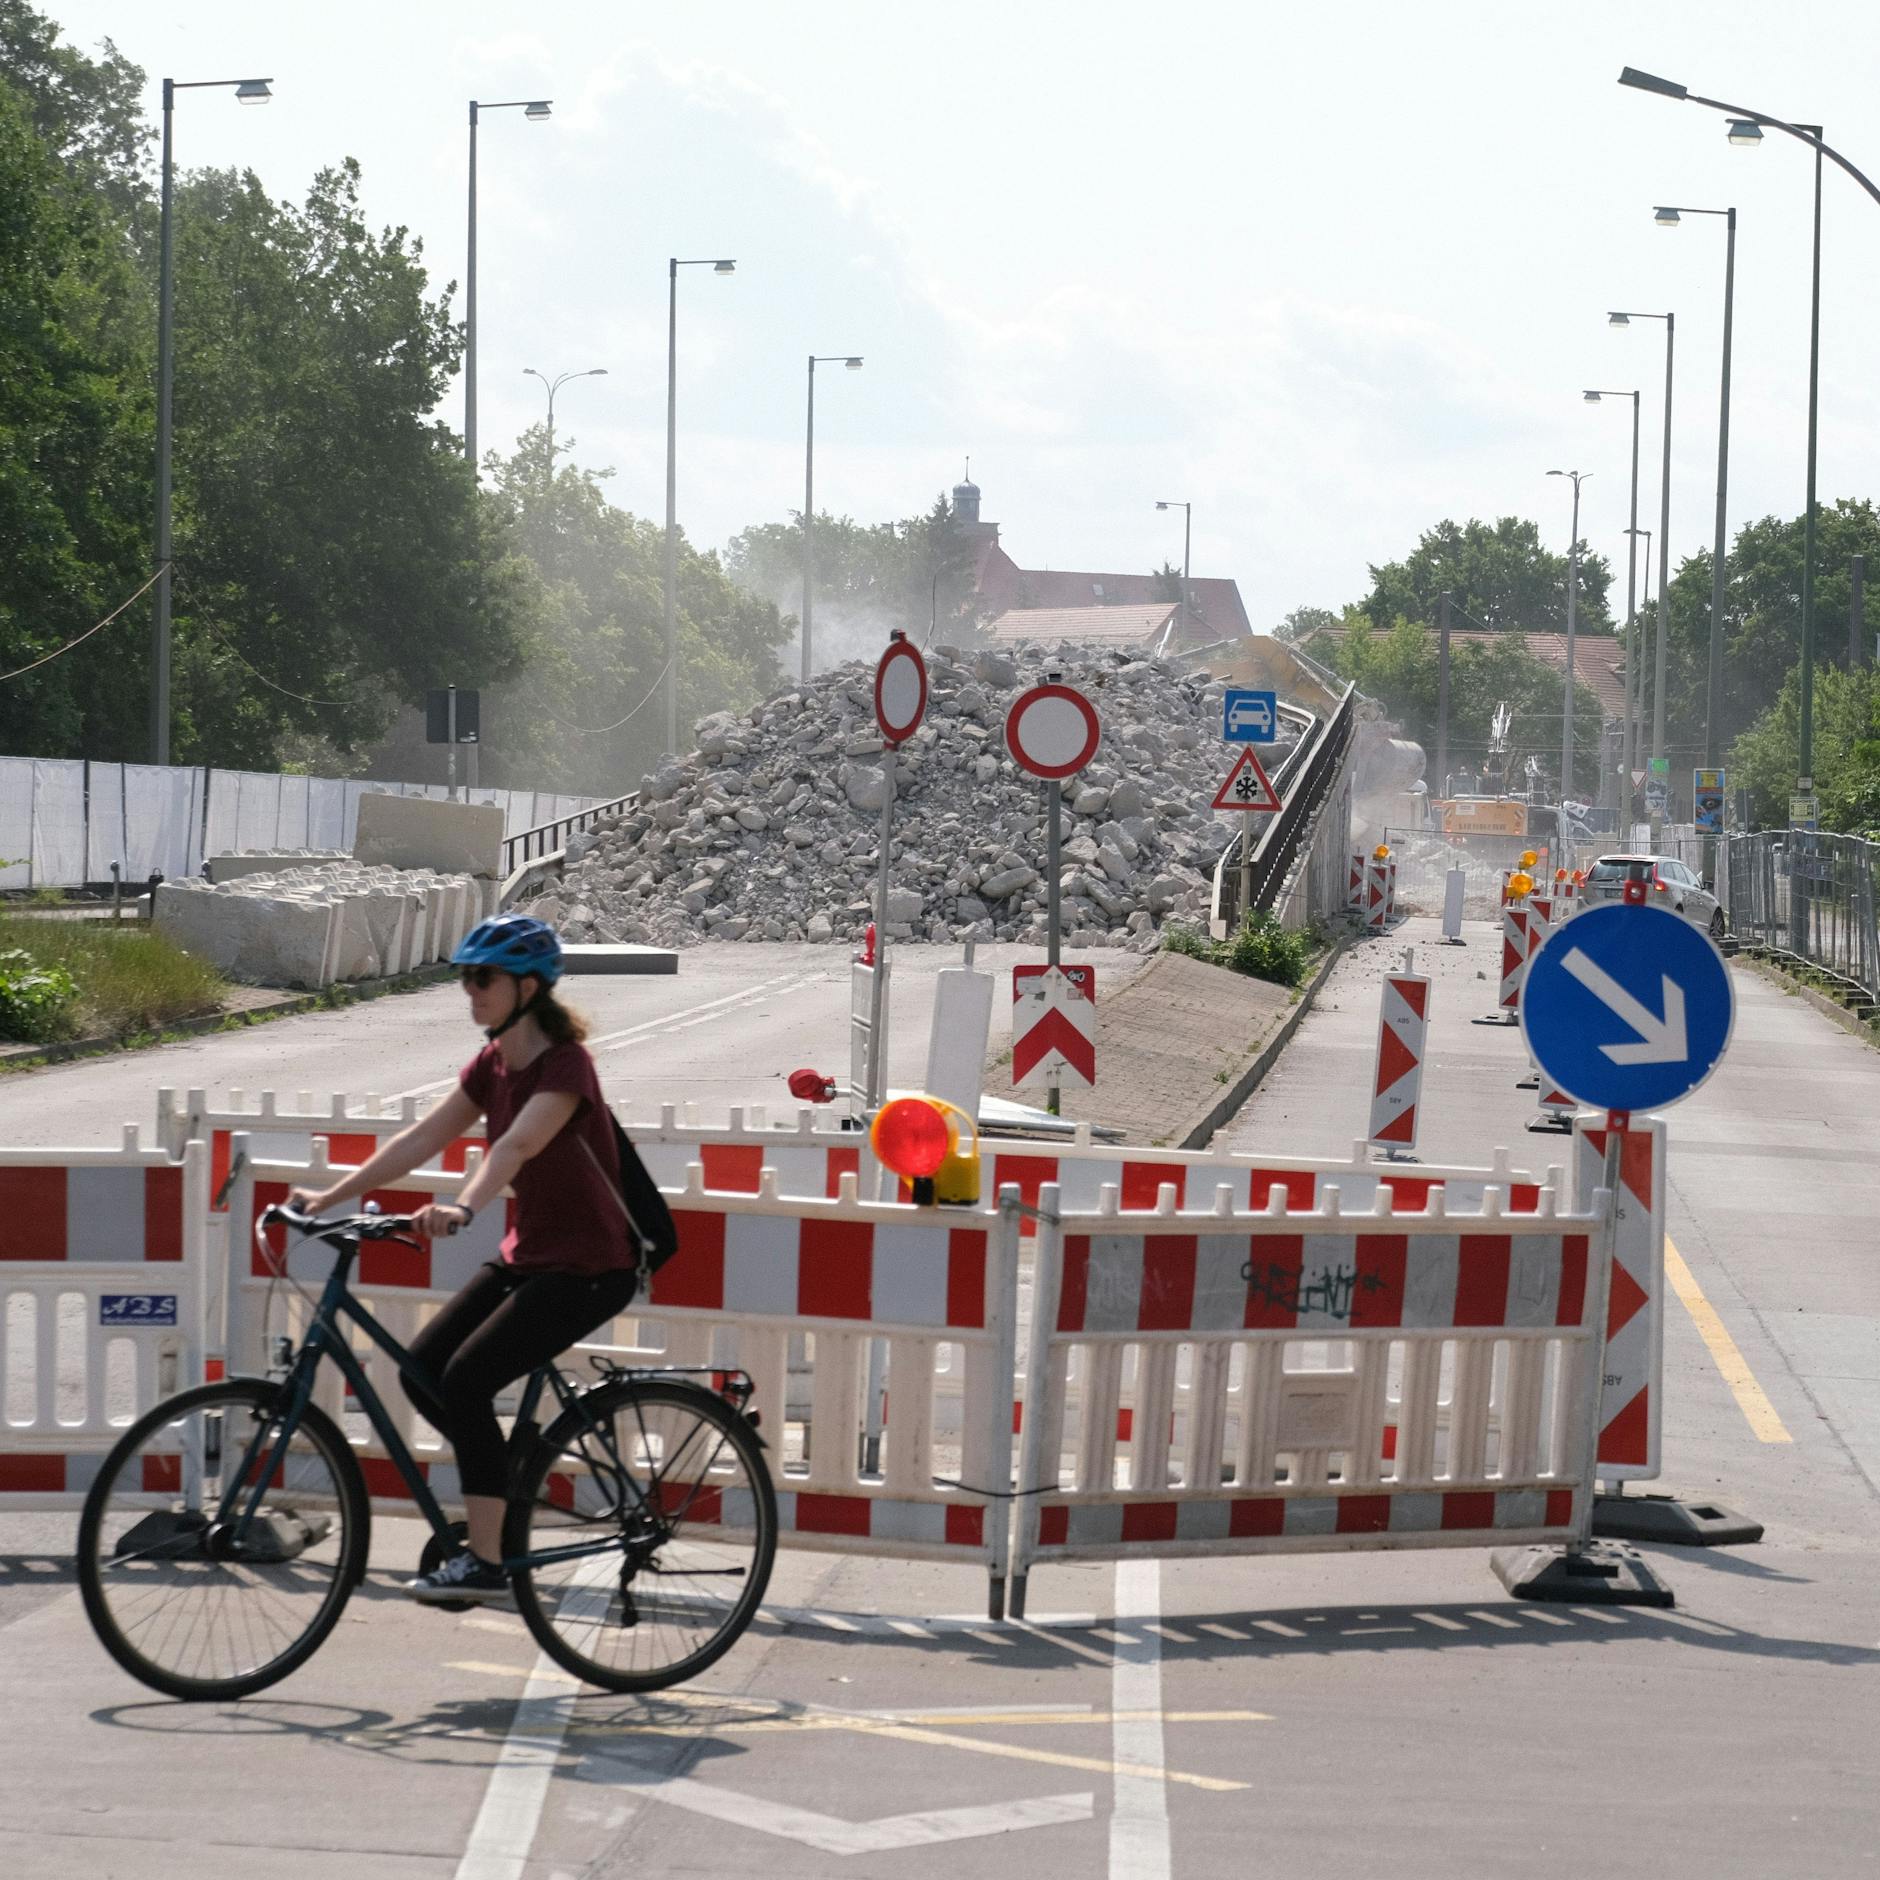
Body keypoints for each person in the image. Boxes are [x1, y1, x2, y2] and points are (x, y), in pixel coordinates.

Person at [287, 914, 638, 1605]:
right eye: (465, 977)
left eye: (484, 978)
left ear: (528, 987)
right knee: (423, 1372)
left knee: (469, 1380)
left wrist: (464, 1207)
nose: (470, 991)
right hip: (533, 1256)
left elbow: (515, 1149)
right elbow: (421, 1138)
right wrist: (328, 1197)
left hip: (590, 1267)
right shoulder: (493, 1063)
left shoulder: (566, 1065)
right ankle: (504, 1489)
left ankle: (486, 1562)